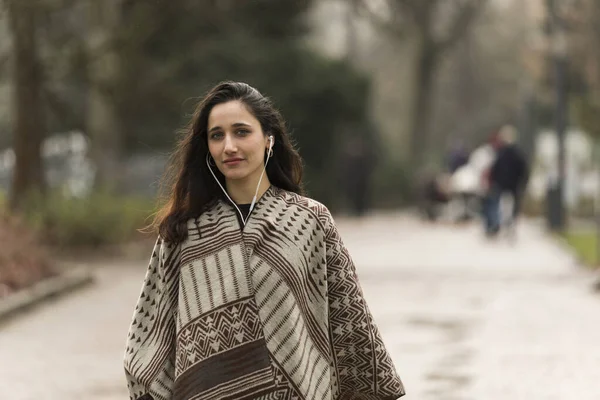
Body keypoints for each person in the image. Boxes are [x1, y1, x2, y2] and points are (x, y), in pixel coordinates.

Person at [124, 81, 405, 400]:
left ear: (268, 139)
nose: (228, 146)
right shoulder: (184, 230)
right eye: (217, 135)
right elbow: (149, 336)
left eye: (241, 131)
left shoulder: (309, 221)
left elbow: (349, 326)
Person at [485, 125, 529, 236]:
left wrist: (493, 181)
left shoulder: (501, 153)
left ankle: (498, 224)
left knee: (498, 205)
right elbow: (523, 170)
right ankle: (508, 224)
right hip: (512, 185)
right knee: (511, 206)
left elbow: (495, 169)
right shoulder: (517, 153)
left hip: (503, 184)